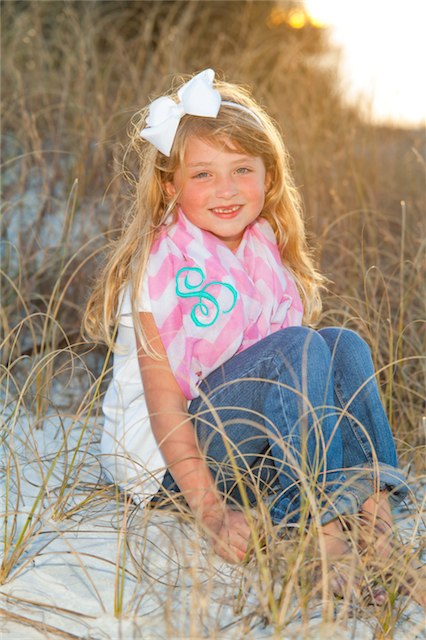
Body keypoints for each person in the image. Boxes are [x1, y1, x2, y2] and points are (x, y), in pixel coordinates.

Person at [83, 69, 422, 605]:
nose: (226, 189)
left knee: (342, 344)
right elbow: (165, 405)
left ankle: (376, 522)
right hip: (176, 468)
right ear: (170, 186)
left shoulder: (264, 250)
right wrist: (211, 512)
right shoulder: (160, 266)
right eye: (203, 174)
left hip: (255, 453)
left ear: (269, 177)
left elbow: (308, 386)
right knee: (301, 346)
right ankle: (317, 534)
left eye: (242, 169)